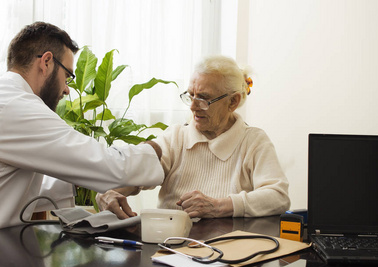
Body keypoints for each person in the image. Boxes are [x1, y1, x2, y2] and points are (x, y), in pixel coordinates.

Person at [0, 22, 164, 267]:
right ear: (46, 62)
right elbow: (107, 164)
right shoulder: (14, 107)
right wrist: (160, 148)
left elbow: (20, 182)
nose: (67, 89)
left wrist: (91, 190)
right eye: (67, 76)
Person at [96, 55, 290, 219]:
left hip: (227, 249)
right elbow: (140, 172)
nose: (193, 106)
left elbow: (278, 197)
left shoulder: (253, 141)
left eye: (204, 98)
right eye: (191, 95)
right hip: (171, 245)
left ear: (232, 102)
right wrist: (111, 192)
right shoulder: (177, 137)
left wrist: (219, 206)